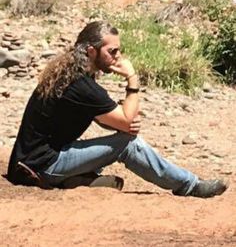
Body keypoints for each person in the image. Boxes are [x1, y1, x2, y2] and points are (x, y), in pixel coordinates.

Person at [7, 21, 228, 197]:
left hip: (26, 162)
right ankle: (189, 185)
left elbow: (108, 119)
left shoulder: (70, 75)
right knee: (127, 145)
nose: (118, 57)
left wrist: (122, 120)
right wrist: (132, 79)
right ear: (92, 51)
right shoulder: (82, 86)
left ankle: (76, 179)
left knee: (121, 137)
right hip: (42, 165)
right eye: (112, 51)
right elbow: (127, 123)